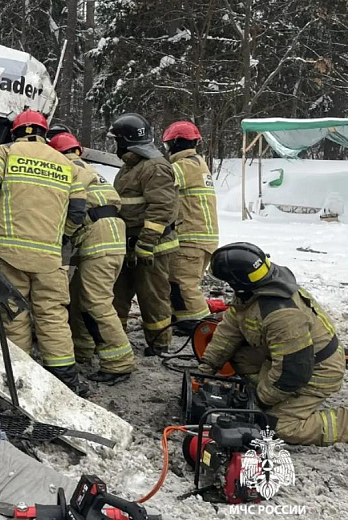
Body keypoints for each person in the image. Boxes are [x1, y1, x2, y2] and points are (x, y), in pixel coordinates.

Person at [0, 110, 89, 396]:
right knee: (52, 315)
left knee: (15, 313)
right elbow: (77, 212)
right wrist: (60, 236)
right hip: (49, 257)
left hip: (10, 252)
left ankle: (21, 378)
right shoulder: (66, 163)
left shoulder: (7, 151)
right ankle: (64, 379)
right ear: (44, 132)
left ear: (16, 132)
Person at [198, 243, 346, 445]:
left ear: (237, 281)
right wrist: (208, 366)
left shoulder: (281, 315)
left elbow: (292, 373)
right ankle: (268, 391)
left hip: (317, 371)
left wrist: (261, 400)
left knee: (280, 426)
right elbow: (230, 328)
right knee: (239, 354)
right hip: (291, 357)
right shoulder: (253, 290)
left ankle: (343, 424)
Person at [49, 132, 135, 384]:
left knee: (96, 301)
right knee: (79, 296)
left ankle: (119, 362)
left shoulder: (65, 168)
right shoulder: (88, 169)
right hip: (111, 233)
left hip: (98, 236)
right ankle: (82, 348)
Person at [108, 113, 180, 356]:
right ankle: (115, 340)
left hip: (152, 248)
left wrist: (146, 243)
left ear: (126, 141)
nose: (115, 145)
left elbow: (161, 208)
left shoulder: (155, 167)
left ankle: (159, 344)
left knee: (153, 299)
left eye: (116, 140)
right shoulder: (131, 167)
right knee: (118, 295)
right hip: (128, 245)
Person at [162, 121, 219, 327]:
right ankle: (184, 320)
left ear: (175, 143)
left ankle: (201, 326)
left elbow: (160, 182)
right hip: (202, 238)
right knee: (181, 283)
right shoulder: (198, 164)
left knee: (184, 284)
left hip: (190, 238)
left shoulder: (183, 166)